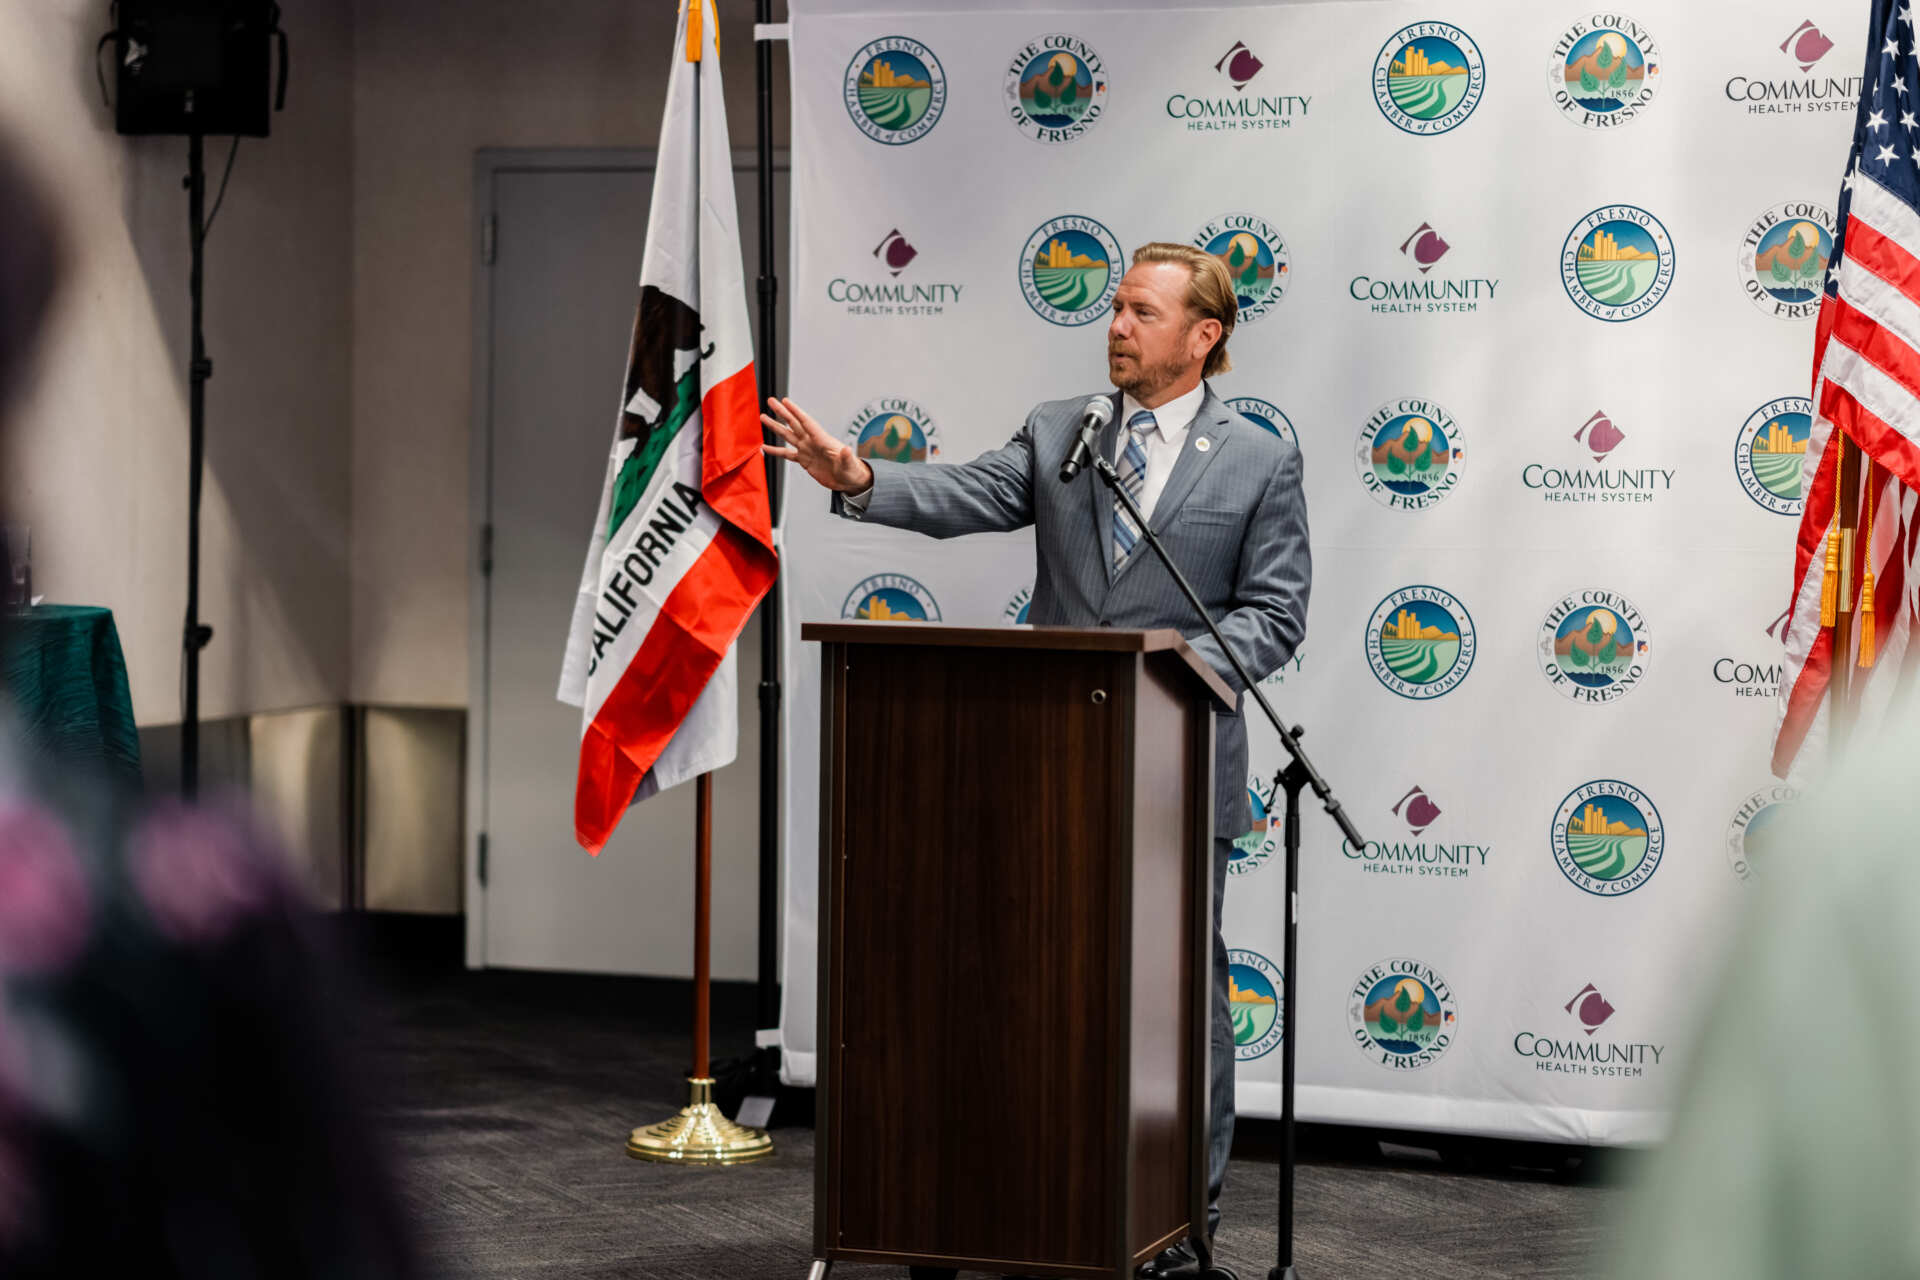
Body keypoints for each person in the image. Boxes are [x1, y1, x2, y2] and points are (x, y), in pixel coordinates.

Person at [764, 240, 1311, 1279]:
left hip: (1177, 766)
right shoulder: (1066, 432)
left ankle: (1181, 1216)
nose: (1118, 326)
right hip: (1050, 773)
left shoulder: (1257, 457)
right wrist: (861, 477)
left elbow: (1275, 612)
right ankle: (1034, 1203)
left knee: (1179, 998)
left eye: (1143, 312)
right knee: (1037, 985)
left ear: (1205, 335)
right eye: (1115, 308)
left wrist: (1170, 667)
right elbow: (970, 492)